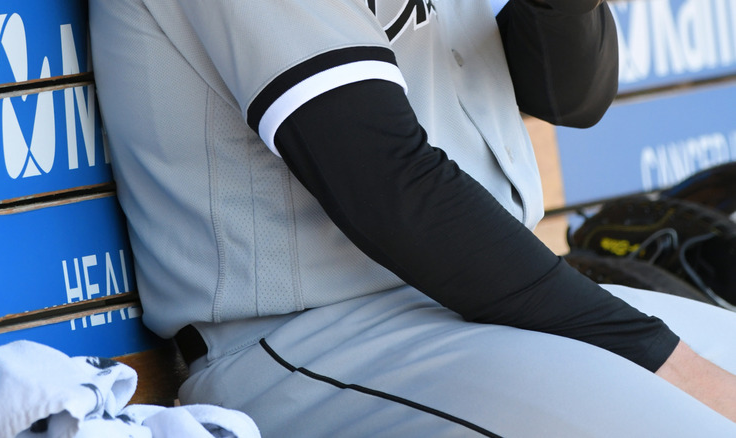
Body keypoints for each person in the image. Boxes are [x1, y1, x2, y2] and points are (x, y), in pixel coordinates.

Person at [88, 0, 736, 435]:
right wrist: (666, 361)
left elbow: (568, 97)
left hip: (500, 304)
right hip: (323, 341)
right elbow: (383, 181)